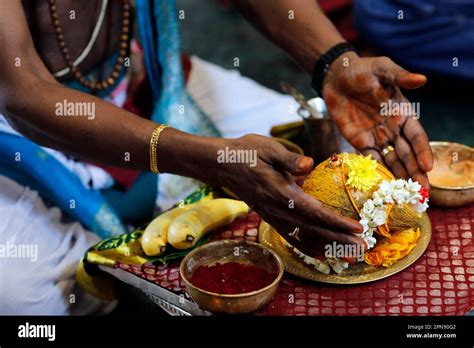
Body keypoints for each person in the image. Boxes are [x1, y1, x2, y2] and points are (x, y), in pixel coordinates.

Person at [0, 0, 432, 314]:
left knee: (309, 135)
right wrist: (209, 159)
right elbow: (23, 94)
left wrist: (333, 63)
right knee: (27, 296)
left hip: (143, 75)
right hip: (19, 126)